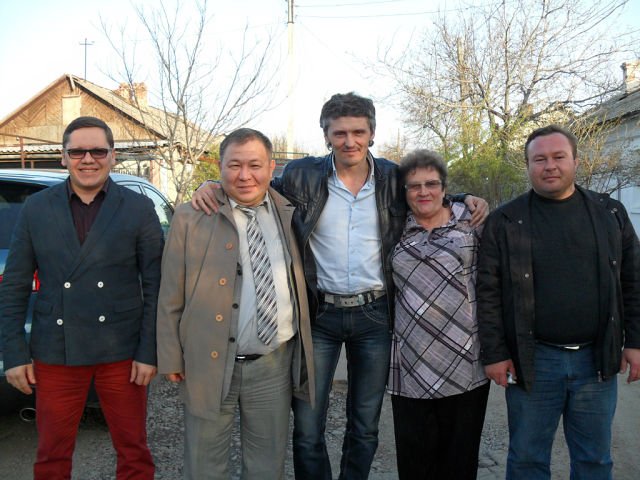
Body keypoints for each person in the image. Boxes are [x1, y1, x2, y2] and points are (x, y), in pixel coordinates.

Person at [191, 92, 488, 479]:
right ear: (326, 135)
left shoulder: (392, 178)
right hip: (320, 315)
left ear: (372, 133)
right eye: (340, 133)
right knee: (308, 427)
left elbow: (427, 193)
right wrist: (212, 184)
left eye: (358, 132)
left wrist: (464, 197)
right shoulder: (302, 176)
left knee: (364, 425)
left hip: (374, 316)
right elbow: (253, 185)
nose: (350, 141)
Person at [0, 116, 163, 479]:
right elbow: (15, 286)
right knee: (51, 455)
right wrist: (14, 353)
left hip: (121, 350)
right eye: (77, 152)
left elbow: (156, 285)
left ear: (113, 155)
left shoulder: (138, 208)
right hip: (56, 349)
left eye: (98, 151)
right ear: (64, 157)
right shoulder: (36, 208)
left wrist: (148, 351)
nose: (88, 159)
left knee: (134, 452)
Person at [476, 124, 640, 479]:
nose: (549, 166)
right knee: (527, 459)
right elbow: (487, 291)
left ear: (575, 161)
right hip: (534, 360)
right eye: (539, 159)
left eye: (558, 157)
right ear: (528, 166)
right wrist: (495, 353)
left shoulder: (610, 214)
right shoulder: (505, 221)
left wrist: (636, 342)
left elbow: (633, 281)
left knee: (595, 460)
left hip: (597, 359)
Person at [156, 128, 314, 479]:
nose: (245, 176)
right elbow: (170, 293)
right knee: (204, 465)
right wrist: (170, 356)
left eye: (255, 165)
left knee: (266, 465)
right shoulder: (191, 217)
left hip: (272, 364)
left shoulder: (290, 212)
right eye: (234, 165)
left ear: (271, 168)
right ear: (220, 167)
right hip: (207, 363)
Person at [389, 149, 489, 479]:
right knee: (415, 464)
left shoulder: (473, 223)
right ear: (404, 192)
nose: (423, 192)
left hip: (465, 363)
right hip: (410, 366)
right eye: (414, 186)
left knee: (459, 462)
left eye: (431, 184)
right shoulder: (394, 228)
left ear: (445, 188)